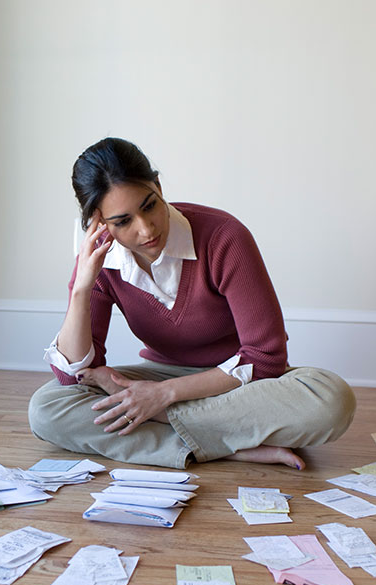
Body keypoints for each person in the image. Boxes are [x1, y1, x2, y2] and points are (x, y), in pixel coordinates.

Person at [28, 137, 355, 470]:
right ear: (99, 224)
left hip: (238, 384)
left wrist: (163, 396)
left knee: (329, 400)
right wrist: (82, 287)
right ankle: (228, 446)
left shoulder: (224, 237)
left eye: (149, 205)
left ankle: (179, 433)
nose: (146, 228)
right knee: (48, 408)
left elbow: (266, 358)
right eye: (123, 221)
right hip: (159, 376)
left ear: (158, 185)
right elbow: (75, 375)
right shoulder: (99, 262)